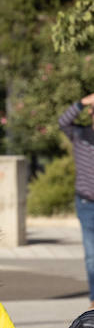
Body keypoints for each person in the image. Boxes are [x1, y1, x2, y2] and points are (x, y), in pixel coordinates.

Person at [59, 93, 94, 307]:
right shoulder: (79, 134)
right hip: (86, 203)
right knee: (92, 255)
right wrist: (83, 102)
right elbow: (63, 121)